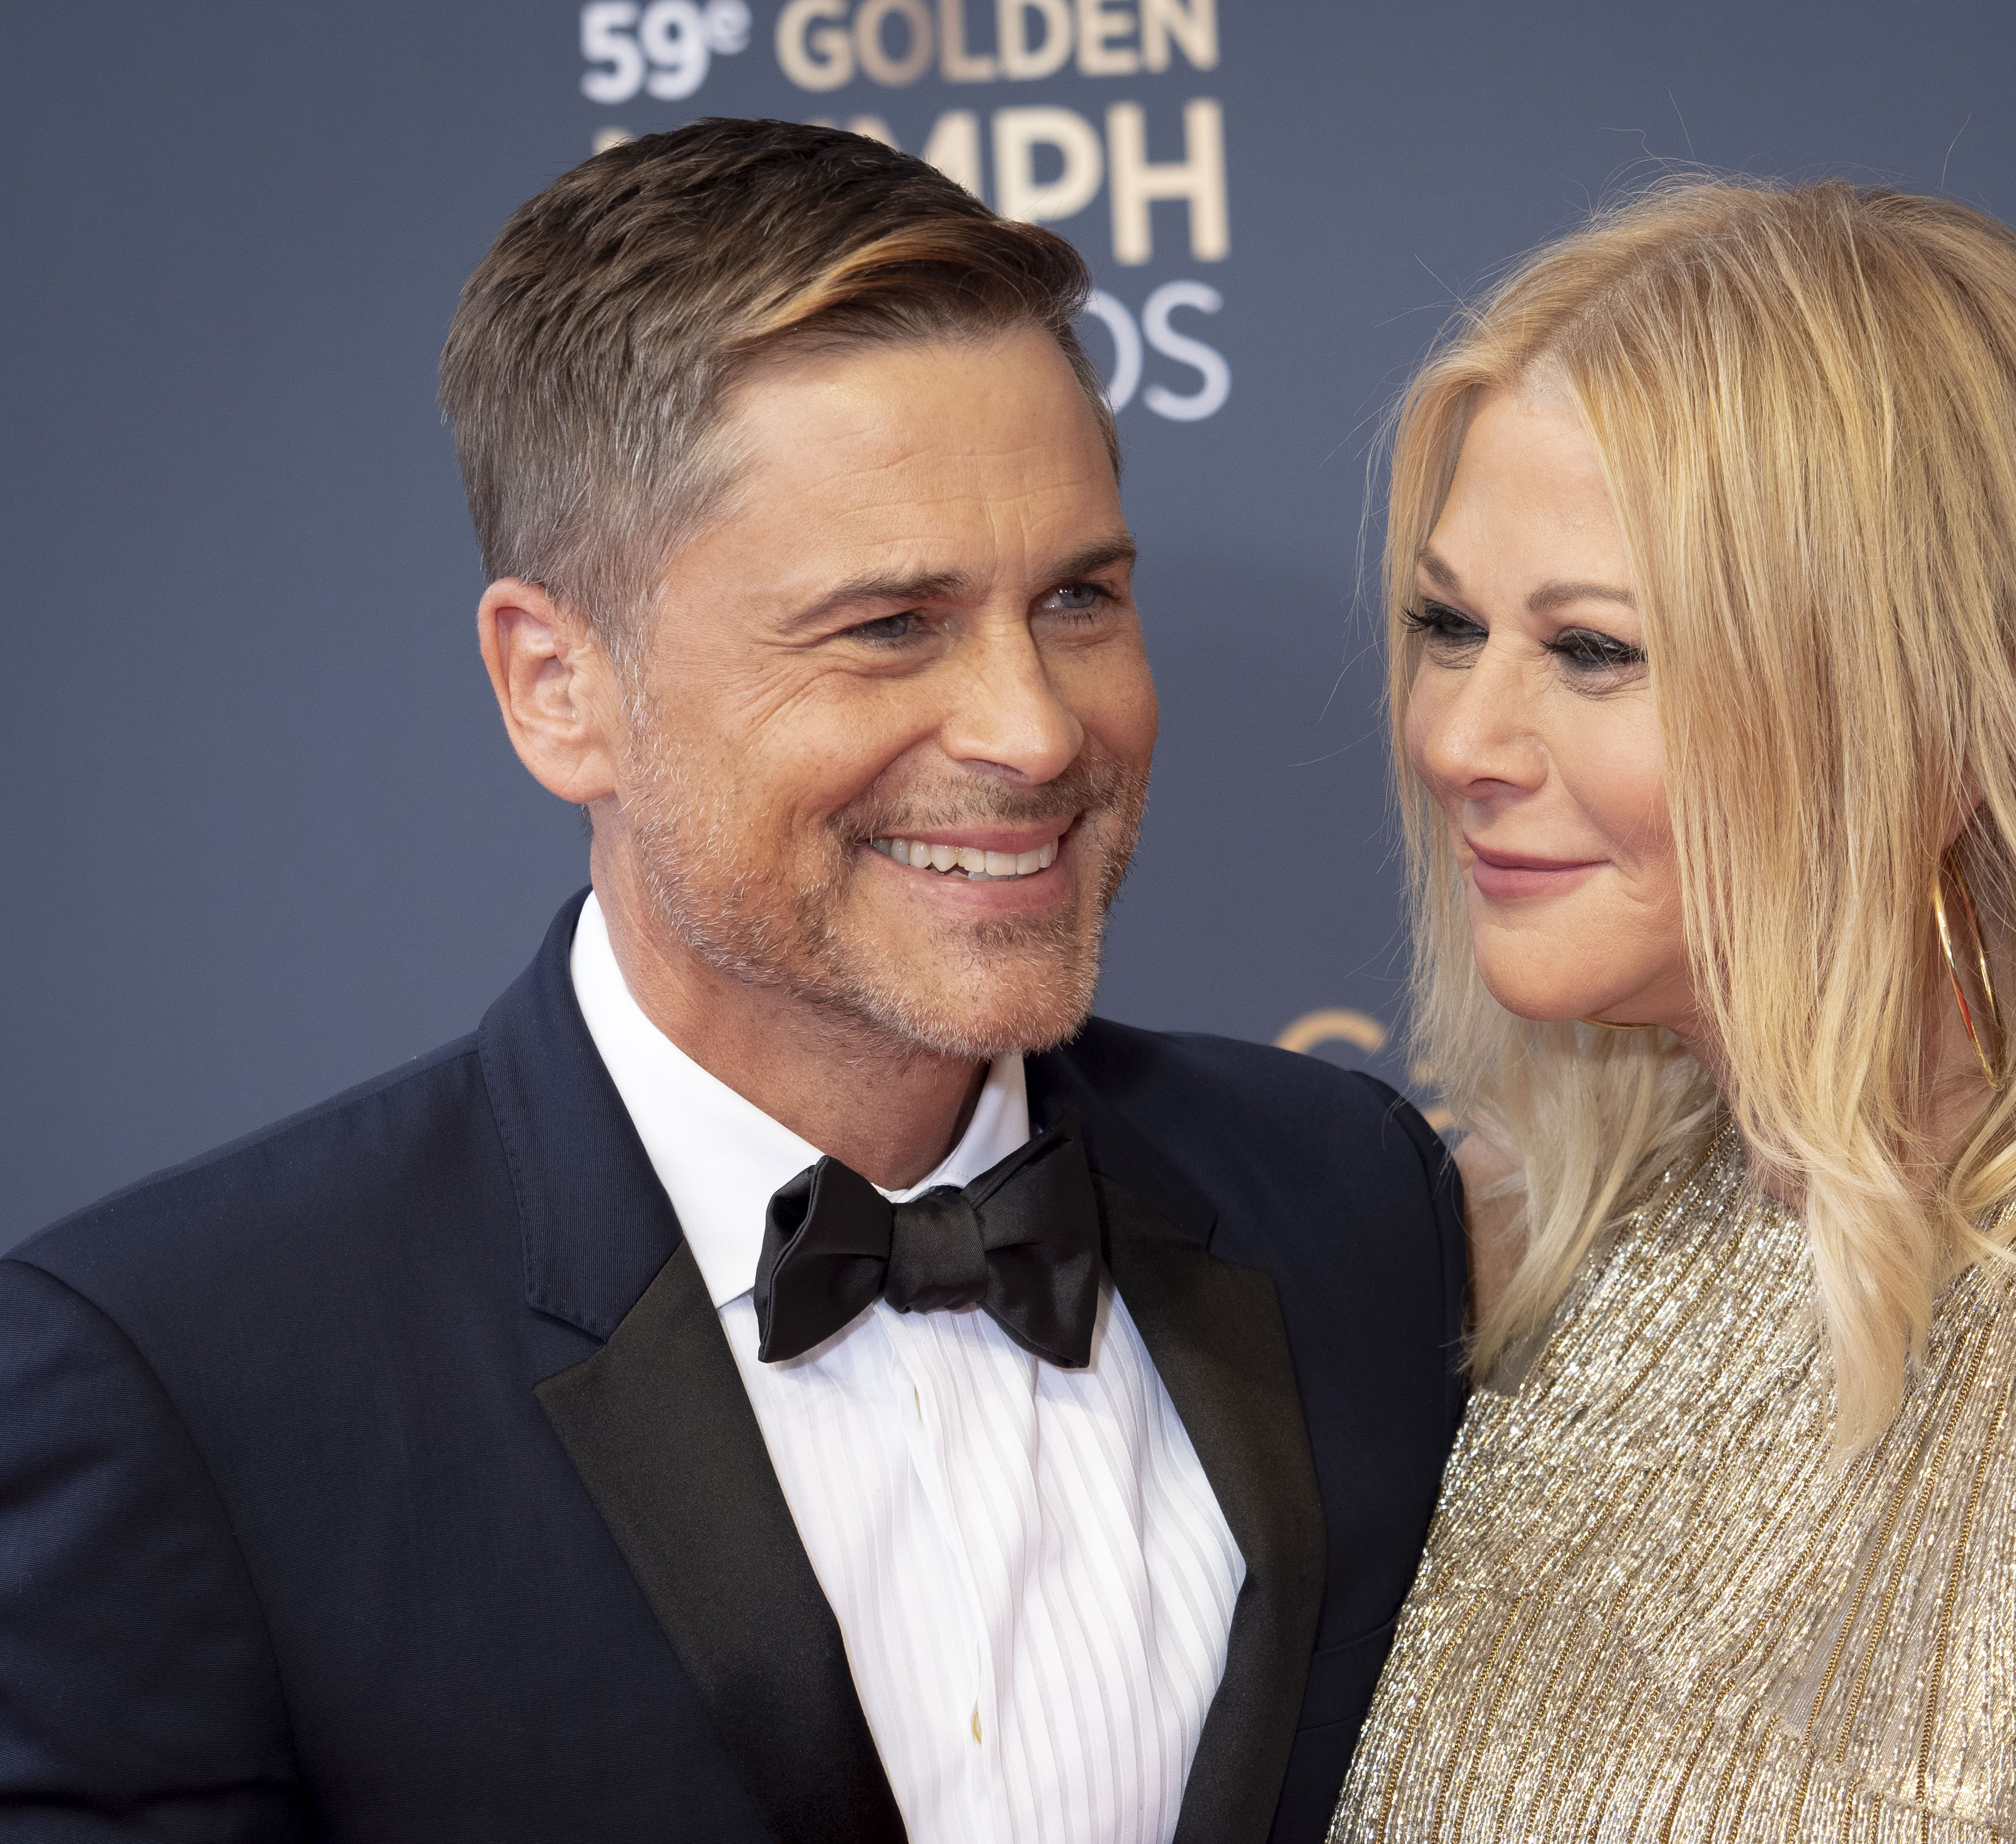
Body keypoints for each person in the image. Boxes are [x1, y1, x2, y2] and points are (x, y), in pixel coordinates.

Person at [0, 120, 1466, 1844]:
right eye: (887, 626)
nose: (1037, 728)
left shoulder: (1348, 1194)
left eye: (1080, 597)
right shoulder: (193, 1380)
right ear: (559, 686)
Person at [1331, 178, 2016, 1843]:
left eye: (1591, 650)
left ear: (1939, 697)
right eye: (1450, 626)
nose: (1460, 740)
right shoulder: (1586, 1251)